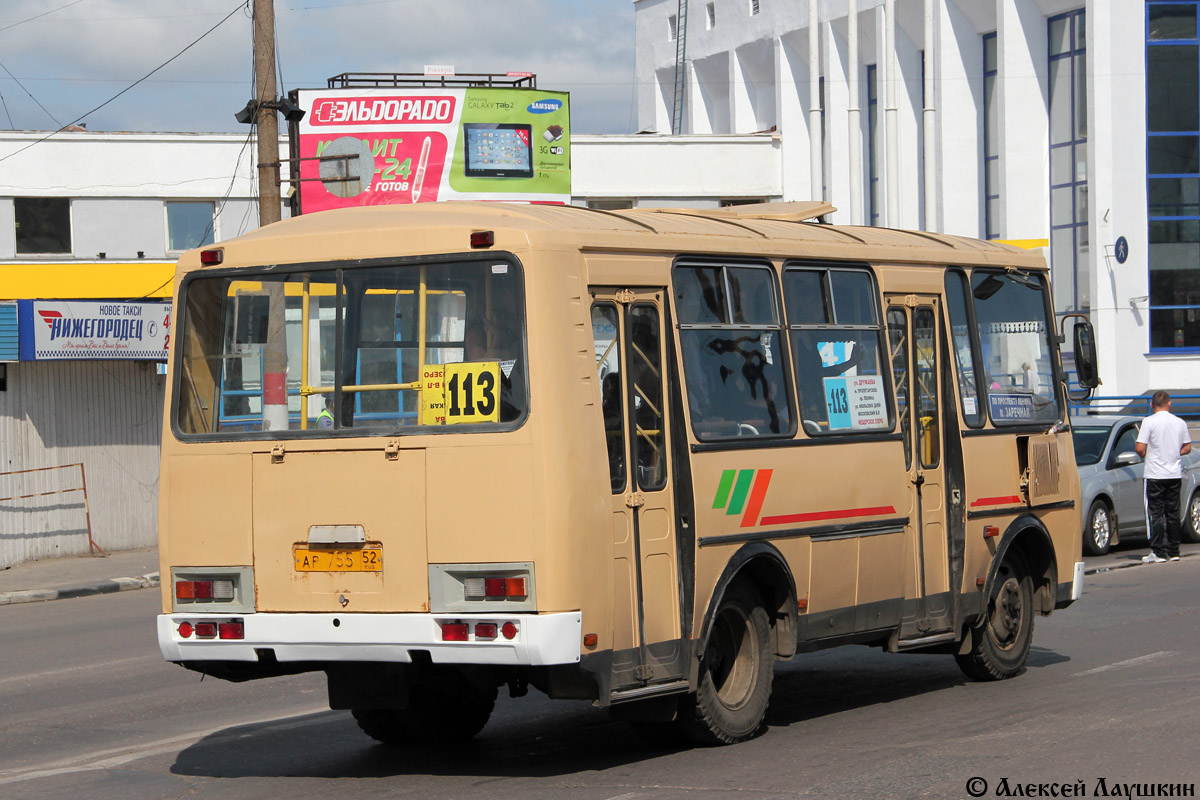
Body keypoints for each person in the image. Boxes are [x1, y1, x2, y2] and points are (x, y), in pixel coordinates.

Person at [1135, 391, 1192, 563]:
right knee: (1173, 512)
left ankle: (1158, 551)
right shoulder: (1179, 422)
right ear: (1169, 404)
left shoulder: (1149, 422)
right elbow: (1187, 447)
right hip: (1174, 473)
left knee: (1155, 512)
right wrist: (1174, 453)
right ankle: (1174, 550)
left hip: (1154, 474)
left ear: (1152, 405)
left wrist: (1147, 454)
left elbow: (1139, 448)